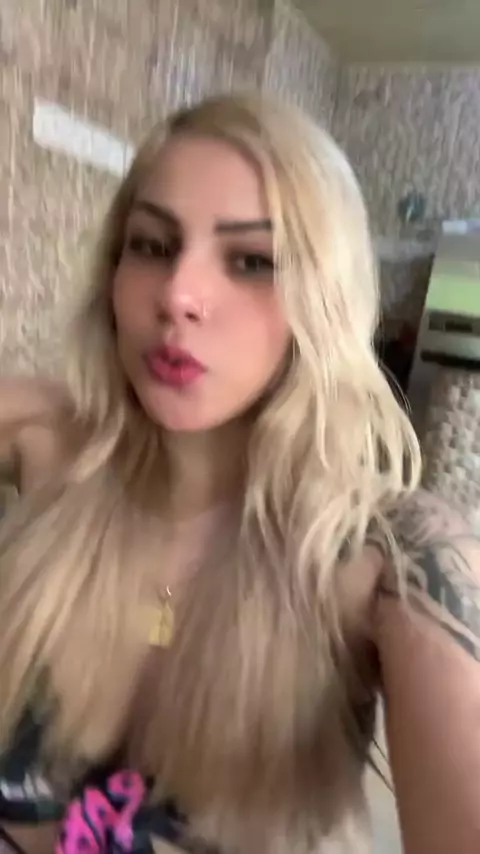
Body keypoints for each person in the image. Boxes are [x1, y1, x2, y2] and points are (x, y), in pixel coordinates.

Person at [0, 92, 478, 854]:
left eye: (253, 260)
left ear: (324, 297)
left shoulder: (391, 556)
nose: (177, 296)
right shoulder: (45, 438)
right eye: (152, 245)